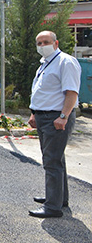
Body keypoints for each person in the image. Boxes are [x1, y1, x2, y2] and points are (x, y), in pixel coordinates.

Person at [27, 30, 81, 218]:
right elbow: (41, 91)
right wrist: (34, 112)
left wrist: (64, 116)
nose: (42, 46)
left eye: (46, 42)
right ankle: (59, 198)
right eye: (39, 43)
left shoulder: (65, 62)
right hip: (44, 117)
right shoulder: (45, 64)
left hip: (56, 118)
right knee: (57, 160)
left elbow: (71, 92)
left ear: (56, 43)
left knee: (51, 162)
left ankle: (52, 207)